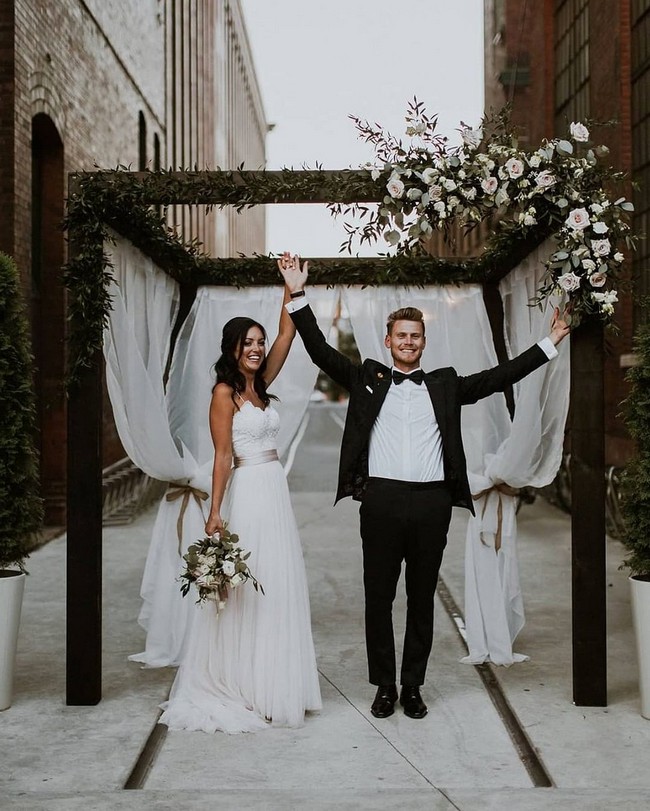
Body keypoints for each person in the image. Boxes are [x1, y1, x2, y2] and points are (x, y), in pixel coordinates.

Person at [280, 256, 569, 720]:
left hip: (433, 501)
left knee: (420, 597)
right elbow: (318, 349)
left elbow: (499, 378)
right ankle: (383, 686)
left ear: (423, 343)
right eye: (401, 336)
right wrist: (297, 294)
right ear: (389, 341)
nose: (408, 342)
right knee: (378, 597)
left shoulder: (447, 384)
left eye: (415, 336)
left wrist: (549, 343)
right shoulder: (366, 378)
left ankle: (412, 685)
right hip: (380, 500)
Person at [159, 254, 322, 733]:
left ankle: (273, 682)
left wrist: (290, 288)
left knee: (278, 582)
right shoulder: (223, 394)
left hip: (276, 490)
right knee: (248, 589)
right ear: (231, 348)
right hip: (248, 491)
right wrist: (213, 513)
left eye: (258, 342)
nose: (256, 348)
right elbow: (223, 455)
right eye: (247, 343)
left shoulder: (261, 384)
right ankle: (242, 683)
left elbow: (288, 334)